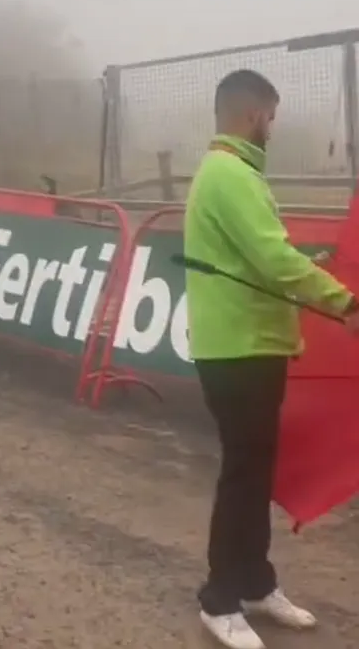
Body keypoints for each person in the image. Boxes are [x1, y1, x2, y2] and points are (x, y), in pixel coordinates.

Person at [184, 68, 359, 649]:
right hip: (237, 350)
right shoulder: (230, 175)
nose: (272, 128)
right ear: (254, 113)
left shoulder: (232, 174)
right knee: (243, 474)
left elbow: (267, 255)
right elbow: (274, 260)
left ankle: (255, 583)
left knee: (254, 470)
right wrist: (343, 303)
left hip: (251, 347)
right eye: (272, 117)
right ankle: (219, 598)